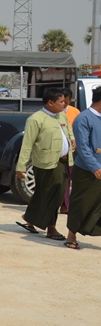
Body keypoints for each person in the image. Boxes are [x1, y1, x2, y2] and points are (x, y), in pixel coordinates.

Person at [15, 87, 74, 239]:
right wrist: (21, 166)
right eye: (61, 102)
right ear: (50, 102)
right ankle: (51, 228)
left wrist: (72, 140)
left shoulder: (61, 116)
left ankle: (29, 217)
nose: (64, 104)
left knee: (46, 193)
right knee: (53, 195)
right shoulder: (36, 119)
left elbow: (68, 131)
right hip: (45, 163)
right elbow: (27, 144)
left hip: (63, 161)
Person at [65, 85, 101, 249]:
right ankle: (71, 235)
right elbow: (83, 147)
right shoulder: (83, 118)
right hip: (87, 171)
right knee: (81, 203)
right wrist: (95, 167)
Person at [60, 87, 81, 215]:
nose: (64, 104)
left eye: (66, 102)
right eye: (62, 101)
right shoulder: (55, 113)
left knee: (69, 178)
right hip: (58, 151)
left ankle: (65, 205)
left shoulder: (75, 112)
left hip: (71, 151)